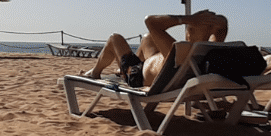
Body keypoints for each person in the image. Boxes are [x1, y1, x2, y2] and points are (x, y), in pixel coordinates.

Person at [83, 10, 229, 88]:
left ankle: (94, 72)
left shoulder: (180, 50)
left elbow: (150, 20)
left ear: (188, 33)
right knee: (148, 38)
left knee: (114, 38)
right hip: (162, 70)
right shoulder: (208, 49)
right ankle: (120, 69)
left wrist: (187, 18)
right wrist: (214, 20)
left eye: (189, 27)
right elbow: (223, 24)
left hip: (137, 76)